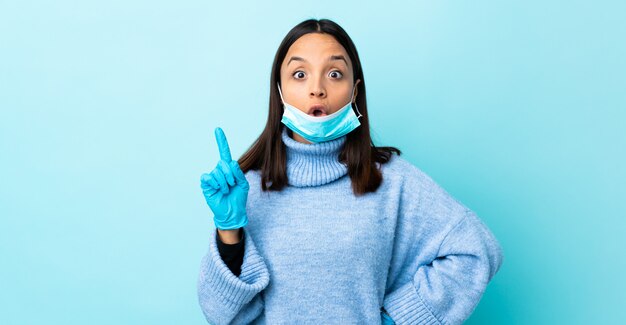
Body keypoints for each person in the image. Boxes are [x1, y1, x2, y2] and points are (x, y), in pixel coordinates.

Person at [197, 18, 504, 325]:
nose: (317, 89)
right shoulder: (248, 188)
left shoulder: (392, 182)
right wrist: (229, 232)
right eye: (300, 74)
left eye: (334, 73)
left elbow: (475, 250)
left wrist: (397, 319)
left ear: (355, 90)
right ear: (279, 92)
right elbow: (221, 314)